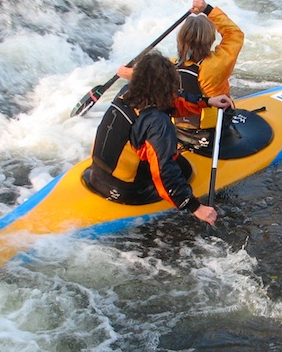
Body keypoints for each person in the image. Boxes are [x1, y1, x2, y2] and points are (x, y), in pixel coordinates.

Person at [83, 51, 232, 225]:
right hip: (127, 191)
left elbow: (173, 101)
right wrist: (195, 207)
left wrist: (206, 102)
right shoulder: (157, 123)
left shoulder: (126, 94)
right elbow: (164, 170)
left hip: (95, 176)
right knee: (183, 168)